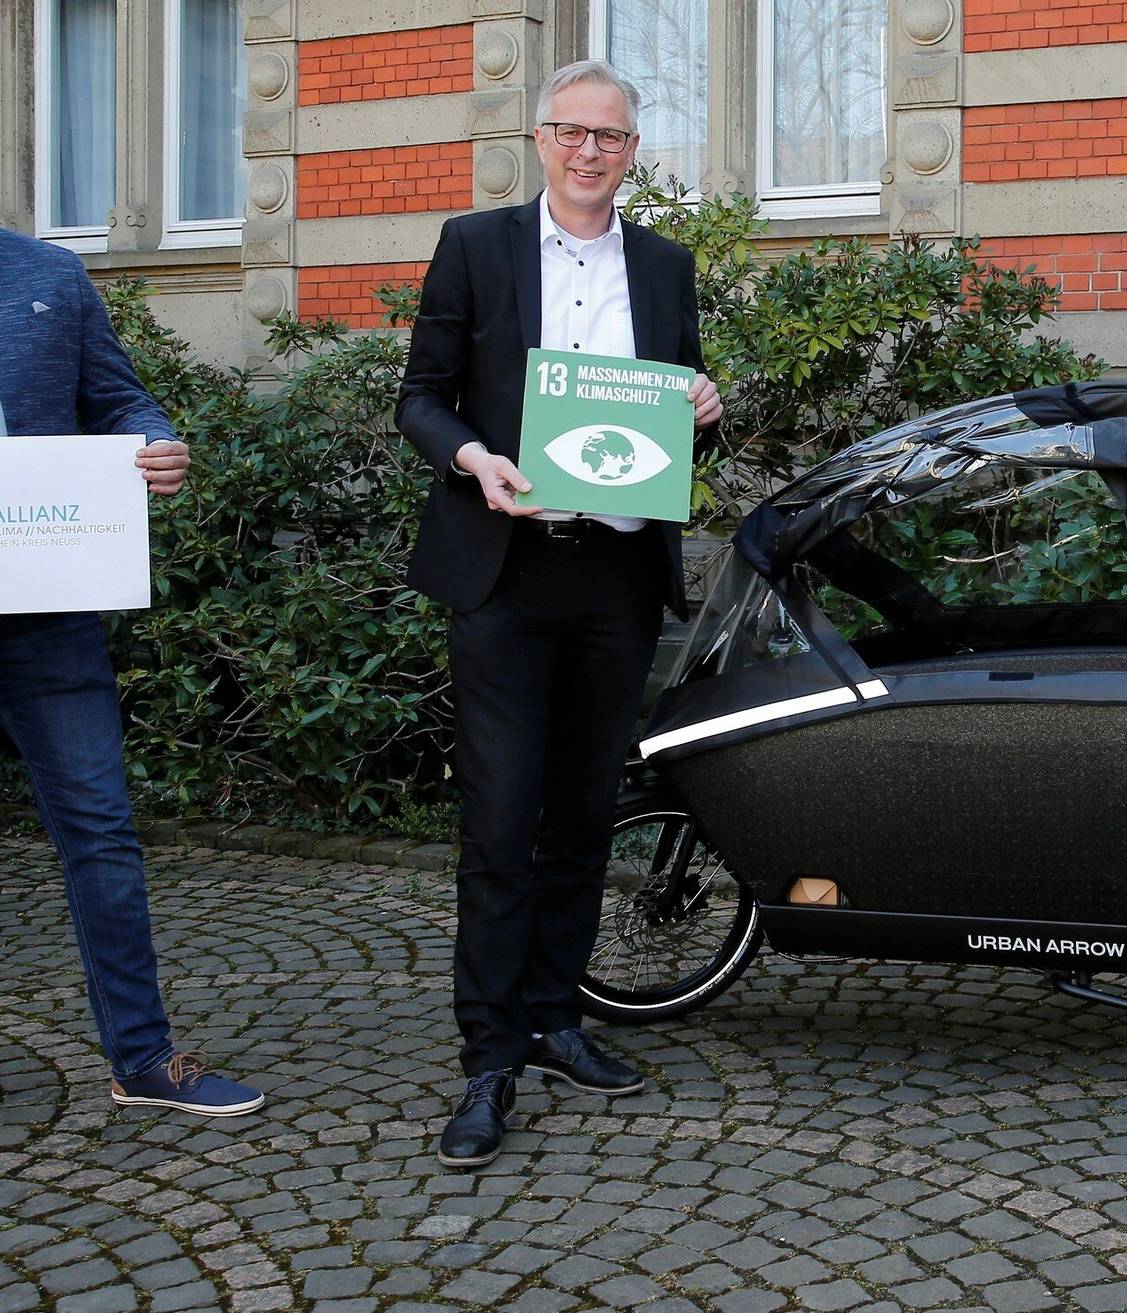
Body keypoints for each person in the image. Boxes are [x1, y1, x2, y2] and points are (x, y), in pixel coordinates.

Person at [395, 59, 723, 1169]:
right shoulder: (476, 245)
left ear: (634, 153)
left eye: (614, 138)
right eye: (574, 132)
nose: (592, 152)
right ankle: (487, 1054)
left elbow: (671, 414)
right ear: (540, 138)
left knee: (584, 815)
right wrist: (472, 457)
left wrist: (705, 407)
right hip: (507, 571)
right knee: (499, 823)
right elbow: (419, 398)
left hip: (616, 576)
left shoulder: (667, 265)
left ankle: (552, 1019)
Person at [0, 227, 264, 1117]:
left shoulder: (48, 273)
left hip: (48, 609)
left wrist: (156, 443)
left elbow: (120, 402)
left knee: (101, 831)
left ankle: (143, 1058)